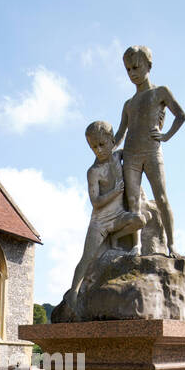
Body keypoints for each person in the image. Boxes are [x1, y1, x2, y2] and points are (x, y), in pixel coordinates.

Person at [113, 44, 185, 257]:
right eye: (128, 69)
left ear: (148, 65)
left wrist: (166, 136)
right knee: (134, 204)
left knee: (161, 198)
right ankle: (137, 246)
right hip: (131, 155)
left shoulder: (160, 92)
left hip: (152, 152)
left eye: (136, 67)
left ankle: (172, 245)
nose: (132, 73)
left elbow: (180, 115)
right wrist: (106, 152)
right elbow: (120, 134)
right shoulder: (129, 103)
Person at [66, 119, 147, 304]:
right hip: (100, 222)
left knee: (139, 220)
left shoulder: (119, 156)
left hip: (119, 218)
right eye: (93, 147)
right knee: (87, 258)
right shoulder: (94, 171)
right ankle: (73, 293)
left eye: (102, 144)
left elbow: (124, 131)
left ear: (111, 140)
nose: (98, 150)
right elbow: (95, 202)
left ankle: (116, 238)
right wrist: (115, 192)